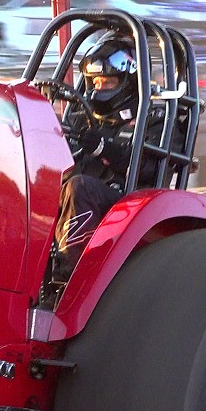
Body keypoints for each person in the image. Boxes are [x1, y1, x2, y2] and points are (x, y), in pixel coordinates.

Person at [52, 37, 164, 281]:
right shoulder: (83, 117)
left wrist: (105, 148)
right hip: (80, 200)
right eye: (97, 82)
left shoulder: (154, 118)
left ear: (127, 82)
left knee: (79, 187)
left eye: (108, 81)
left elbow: (151, 169)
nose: (101, 88)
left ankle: (71, 269)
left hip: (128, 204)